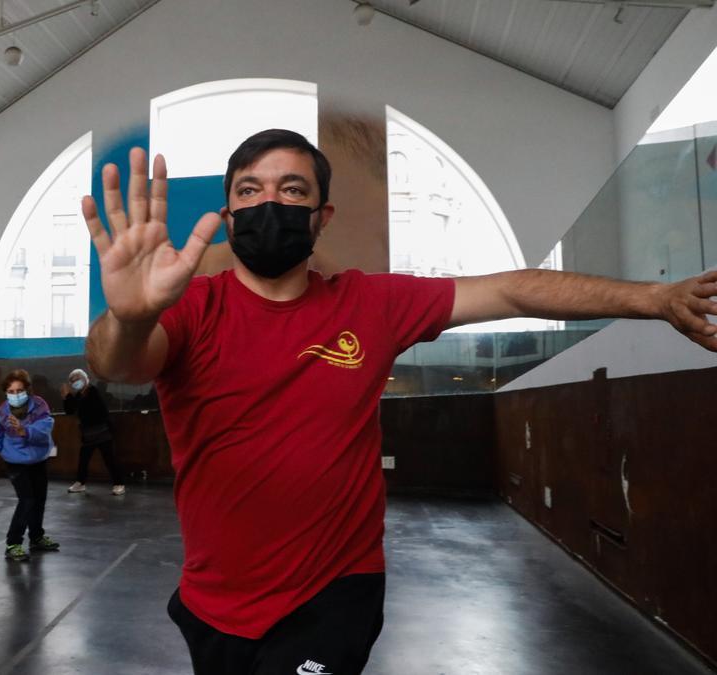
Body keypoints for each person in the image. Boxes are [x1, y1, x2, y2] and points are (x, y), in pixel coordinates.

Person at [81, 130, 717, 675]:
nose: (269, 202)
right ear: (228, 211)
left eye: (292, 190)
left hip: (334, 590)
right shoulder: (193, 308)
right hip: (212, 601)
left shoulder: (370, 303)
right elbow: (117, 362)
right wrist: (130, 316)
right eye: (250, 190)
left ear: (321, 216)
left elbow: (514, 291)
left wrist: (655, 300)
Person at [0, 369, 60, 561]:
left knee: (39, 500)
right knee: (27, 500)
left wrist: (24, 430)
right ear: (6, 393)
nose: (16, 395)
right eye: (11, 391)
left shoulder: (40, 405)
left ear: (28, 390)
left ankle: (36, 537)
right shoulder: (2, 412)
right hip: (16, 463)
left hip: (38, 460)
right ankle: (13, 543)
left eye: (19, 390)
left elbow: (45, 428)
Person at [60, 368, 125, 495]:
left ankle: (119, 484)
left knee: (109, 459)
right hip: (88, 435)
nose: (75, 382)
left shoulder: (93, 391)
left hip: (102, 433)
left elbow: (90, 410)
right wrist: (66, 397)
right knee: (83, 459)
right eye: (72, 381)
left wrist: (69, 397)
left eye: (77, 379)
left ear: (85, 379)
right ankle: (80, 483)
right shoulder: (79, 395)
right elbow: (70, 410)